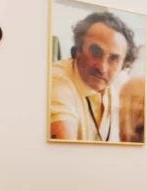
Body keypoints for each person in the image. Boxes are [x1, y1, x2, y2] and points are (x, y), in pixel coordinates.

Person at [49, 11, 138, 142]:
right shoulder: (56, 80)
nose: (102, 68)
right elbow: (63, 149)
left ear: (123, 64)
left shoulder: (124, 84)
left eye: (114, 58)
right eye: (96, 52)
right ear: (78, 51)